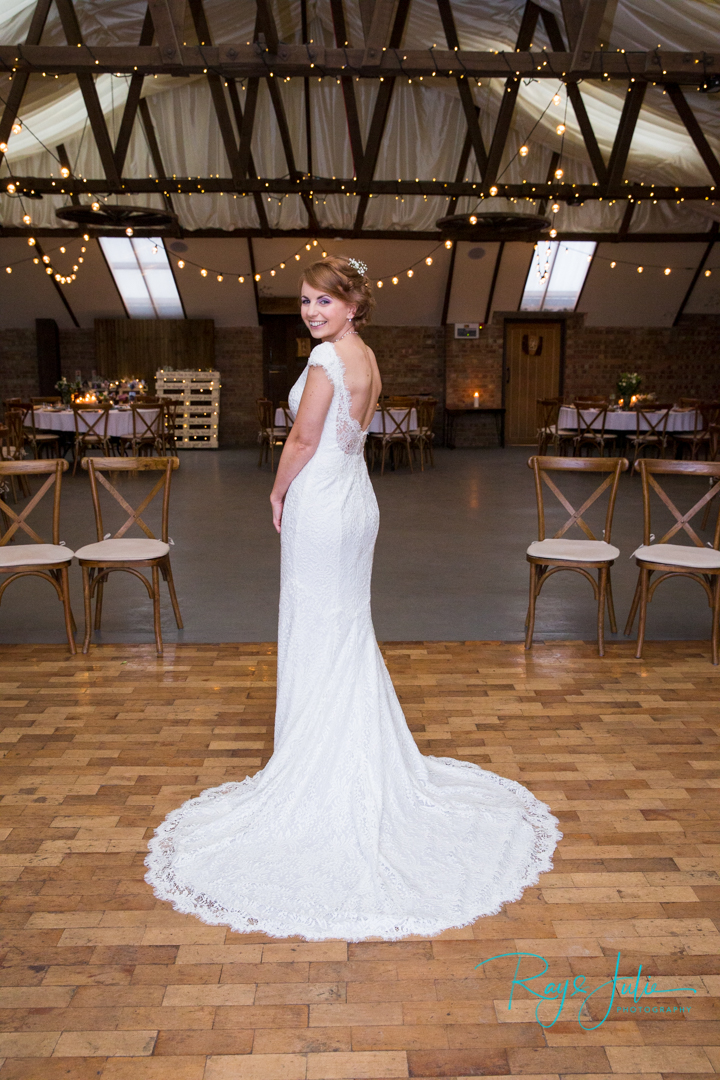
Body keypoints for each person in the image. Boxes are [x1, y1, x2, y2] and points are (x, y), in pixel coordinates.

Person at [145, 255, 561, 941]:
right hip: (357, 502)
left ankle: (326, 767)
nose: (311, 311)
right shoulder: (366, 357)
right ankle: (346, 751)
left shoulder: (323, 363)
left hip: (322, 503)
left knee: (319, 627)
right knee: (343, 630)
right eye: (306, 301)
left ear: (353, 304)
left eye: (324, 302)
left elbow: (305, 439)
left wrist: (277, 490)